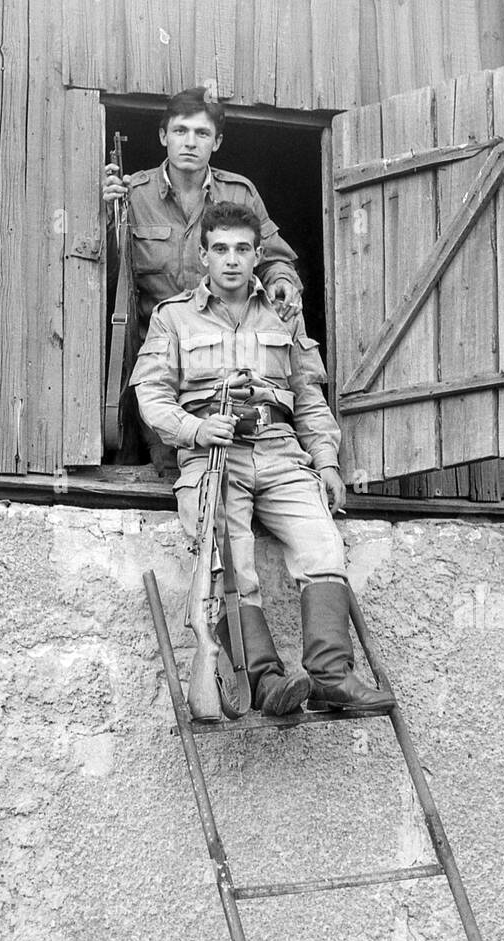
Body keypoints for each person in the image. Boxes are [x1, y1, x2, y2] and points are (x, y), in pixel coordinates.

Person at [130, 201, 395, 718]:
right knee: (233, 568)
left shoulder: (283, 315)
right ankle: (265, 681)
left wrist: (327, 464)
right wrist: (197, 427)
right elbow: (152, 396)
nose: (232, 260)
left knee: (323, 548)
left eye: (243, 250)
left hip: (280, 453)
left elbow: (309, 394)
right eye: (221, 249)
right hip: (214, 459)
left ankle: (331, 675)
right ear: (203, 254)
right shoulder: (173, 318)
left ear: (257, 256)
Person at [104, 86, 303, 334]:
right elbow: (108, 277)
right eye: (180, 131)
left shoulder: (240, 194)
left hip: (227, 346)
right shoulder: (132, 195)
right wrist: (109, 216)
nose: (190, 143)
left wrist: (282, 281)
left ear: (216, 142)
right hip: (157, 348)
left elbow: (274, 258)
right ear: (163, 136)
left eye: (202, 133)